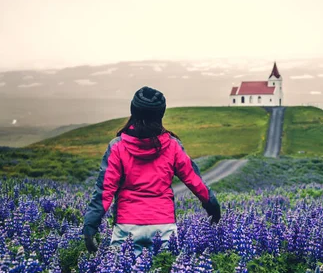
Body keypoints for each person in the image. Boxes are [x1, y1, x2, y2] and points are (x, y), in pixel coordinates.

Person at [82, 86, 221, 255]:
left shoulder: (117, 146)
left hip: (127, 225)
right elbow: (194, 180)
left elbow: (104, 191)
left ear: (133, 110)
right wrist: (212, 206)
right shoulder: (172, 145)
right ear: (160, 114)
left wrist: (91, 225)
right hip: (164, 226)